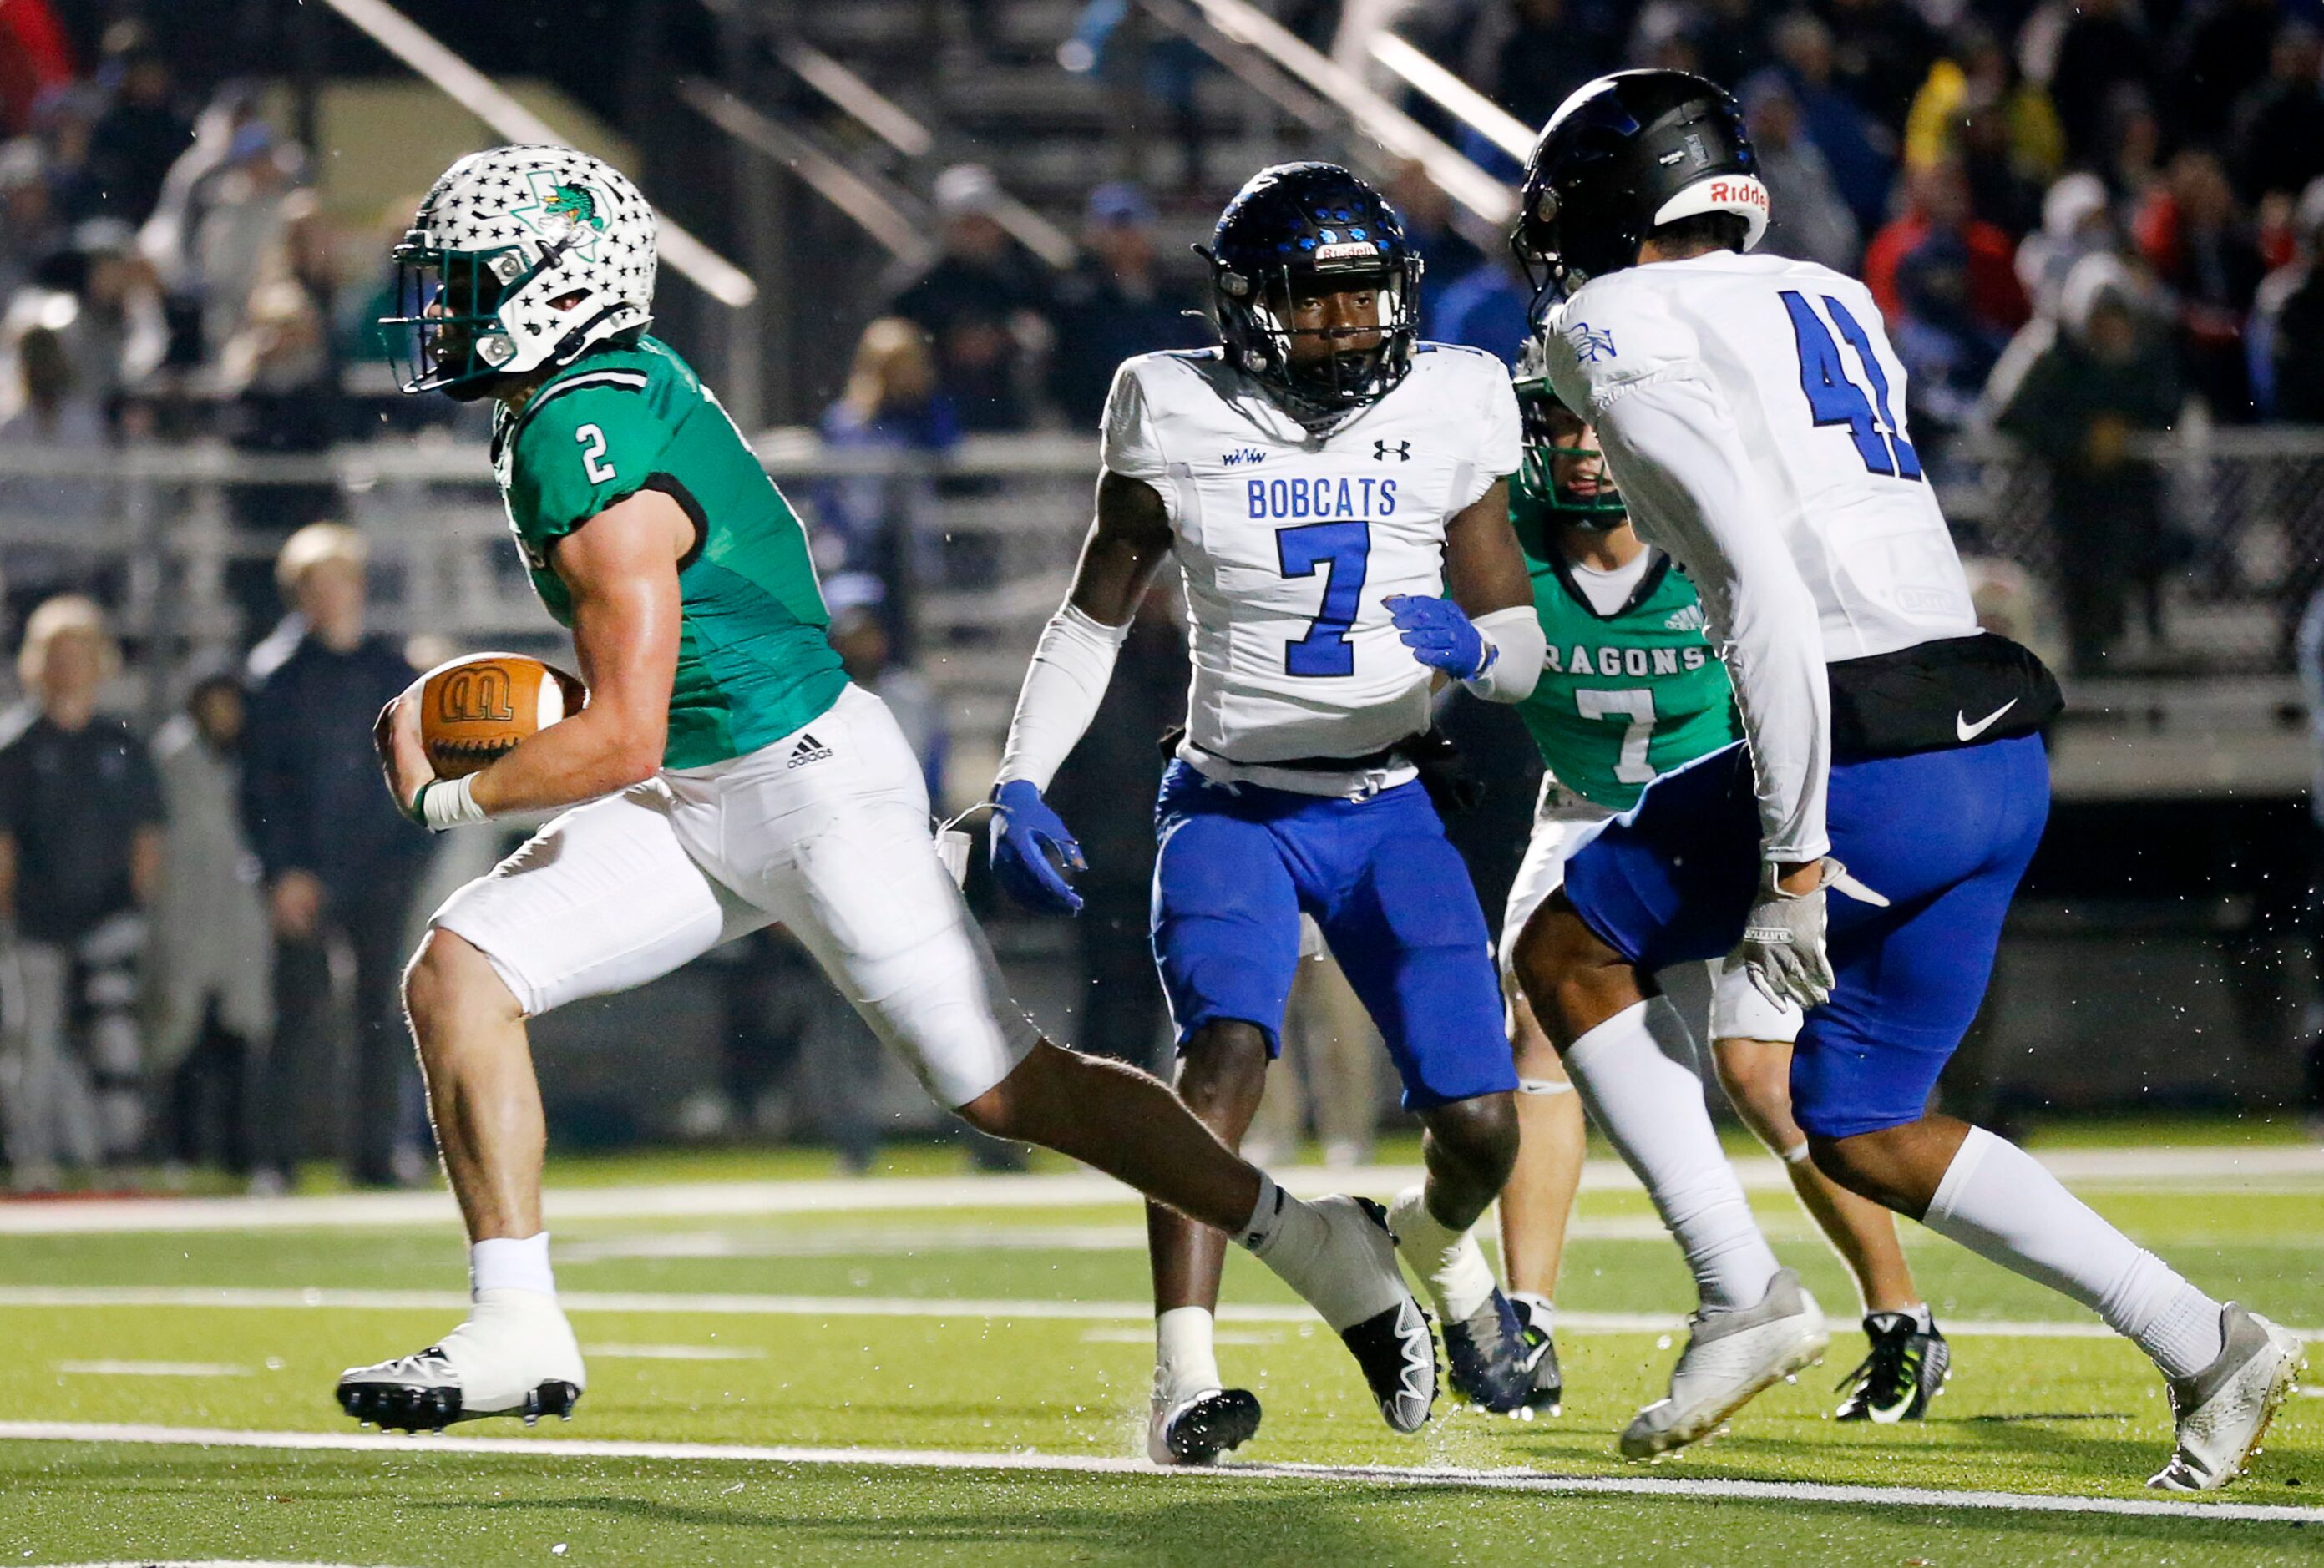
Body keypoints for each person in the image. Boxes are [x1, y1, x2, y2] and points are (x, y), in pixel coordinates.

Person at [339, 144, 1433, 1438]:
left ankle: (1321, 1249)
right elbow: (654, 720)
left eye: (470, 283)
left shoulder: (596, 432)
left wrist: (447, 799)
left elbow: (623, 736)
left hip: (808, 793)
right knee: (457, 973)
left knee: (1012, 1091)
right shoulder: (573, 406)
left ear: (552, 285)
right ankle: (516, 1321)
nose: (446, 312)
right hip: (701, 794)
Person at [1512, 69, 2302, 1488]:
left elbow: (1755, 587)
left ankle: (1737, 1290)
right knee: (1864, 1122)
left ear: (1616, 208)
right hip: (1991, 741)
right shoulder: (1825, 291)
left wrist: (1796, 863)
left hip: (1862, 739)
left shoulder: (1606, 319)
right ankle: (2206, 1341)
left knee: (1565, 945)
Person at [985, 162, 1547, 1465]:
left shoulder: (1453, 399)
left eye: (1365, 298)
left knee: (1481, 1123)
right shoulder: (1170, 406)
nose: (1349, 326)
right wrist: (1020, 771)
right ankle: (1187, 1374)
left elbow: (1517, 643)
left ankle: (1419, 1251)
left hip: (1389, 799)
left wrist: (1472, 650)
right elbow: (1091, 615)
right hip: (1230, 803)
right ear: (1246, 308)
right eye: (1317, 301)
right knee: (1221, 1061)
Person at [1491, 339, 1952, 1422]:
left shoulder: (1706, 523)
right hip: (1584, 805)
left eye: (1594, 421)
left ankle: (1897, 1314)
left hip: (1730, 801)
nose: (1581, 446)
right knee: (1534, 1018)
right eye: (1557, 423)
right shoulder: (1493, 538)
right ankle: (1525, 1317)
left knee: (1759, 1073)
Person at [241, 523, 432, 1191]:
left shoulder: (390, 669)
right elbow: (261, 784)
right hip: (308, 868)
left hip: (380, 861)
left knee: (381, 1009)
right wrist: (282, 869)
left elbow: (420, 764)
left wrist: (410, 846)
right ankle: (275, 1158)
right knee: (298, 1011)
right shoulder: (276, 676)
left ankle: (377, 1153)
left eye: (339, 581)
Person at [0, 595, 163, 1188]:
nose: (68, 666)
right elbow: (6, 848)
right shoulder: (16, 748)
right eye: (56, 654)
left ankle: (118, 1157)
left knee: (114, 1042)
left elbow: (147, 837)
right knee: (33, 1042)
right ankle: (34, 1157)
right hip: (38, 920)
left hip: (109, 918)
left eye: (79, 653)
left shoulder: (120, 743)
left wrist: (133, 907)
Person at [146, 670, 271, 1182]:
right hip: (185, 909)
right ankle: (176, 1149)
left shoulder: (253, 757)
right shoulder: (172, 757)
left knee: (239, 1034)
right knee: (178, 1035)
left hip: (239, 915)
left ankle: (238, 1153)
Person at [1047, 182, 1206, 432]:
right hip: (1096, 427)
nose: (1125, 239)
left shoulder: (1177, 295)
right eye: (1115, 230)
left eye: (1132, 229)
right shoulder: (1076, 301)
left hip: (1171, 425)